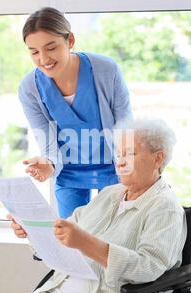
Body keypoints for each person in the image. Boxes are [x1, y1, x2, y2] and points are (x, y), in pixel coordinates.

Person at [8, 118, 187, 293]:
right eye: (119, 154)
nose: (120, 162)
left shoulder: (165, 208)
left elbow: (149, 267)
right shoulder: (109, 194)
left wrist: (86, 243)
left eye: (130, 154)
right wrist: (32, 230)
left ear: (158, 158)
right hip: (54, 290)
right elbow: (62, 235)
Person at [18, 7, 132, 218]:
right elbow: (46, 139)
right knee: (71, 237)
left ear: (70, 40)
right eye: (34, 51)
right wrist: (50, 164)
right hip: (68, 170)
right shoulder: (30, 88)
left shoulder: (106, 70)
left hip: (112, 167)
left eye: (51, 47)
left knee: (111, 234)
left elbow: (125, 125)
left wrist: (130, 167)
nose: (43, 59)